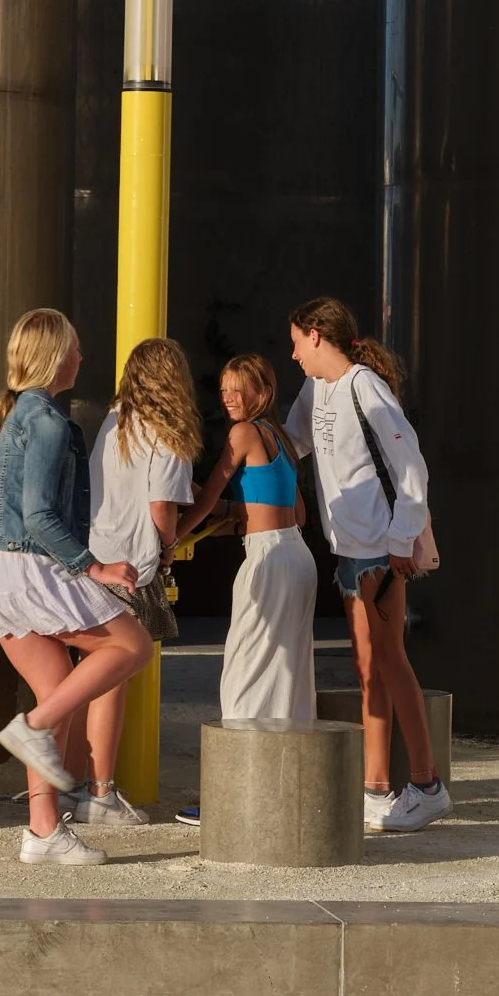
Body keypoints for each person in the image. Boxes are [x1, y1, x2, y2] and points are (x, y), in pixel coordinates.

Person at [0, 308, 150, 865]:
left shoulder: (6, 414)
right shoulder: (44, 421)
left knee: (58, 687)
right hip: (26, 566)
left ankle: (42, 833)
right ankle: (33, 728)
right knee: (131, 644)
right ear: (53, 357)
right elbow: (40, 515)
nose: (81, 358)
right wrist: (95, 568)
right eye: (74, 349)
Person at [284, 297, 448, 833]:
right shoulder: (317, 389)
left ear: (315, 335)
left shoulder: (364, 386)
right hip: (350, 549)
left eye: (294, 343)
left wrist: (401, 539)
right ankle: (376, 789)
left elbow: (410, 466)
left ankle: (426, 784)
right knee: (368, 667)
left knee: (390, 659)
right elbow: (295, 442)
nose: (292, 355)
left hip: (380, 546)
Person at [167, 354, 319, 829]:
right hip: (298, 558)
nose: (230, 397)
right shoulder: (282, 439)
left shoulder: (243, 433)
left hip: (268, 561)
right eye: (225, 389)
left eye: (239, 389)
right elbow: (295, 516)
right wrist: (234, 512)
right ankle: (286, 791)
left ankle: (231, 796)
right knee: (291, 677)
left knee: (244, 675)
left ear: (262, 391)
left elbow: (210, 495)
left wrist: (170, 537)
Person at [66, 336, 201, 826]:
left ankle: (74, 785)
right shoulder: (168, 430)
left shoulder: (115, 420)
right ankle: (100, 794)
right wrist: (168, 548)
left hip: (95, 558)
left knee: (88, 676)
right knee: (111, 682)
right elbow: (163, 506)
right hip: (131, 568)